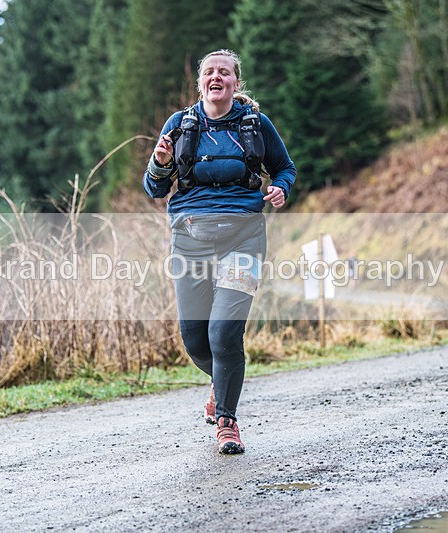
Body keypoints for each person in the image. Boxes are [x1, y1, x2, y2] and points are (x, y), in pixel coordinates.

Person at [143, 49, 296, 454]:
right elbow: (155, 189)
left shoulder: (255, 125)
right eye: (209, 72)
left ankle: (227, 420)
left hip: (243, 240)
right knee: (195, 339)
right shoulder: (180, 126)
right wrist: (159, 163)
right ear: (200, 83)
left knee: (224, 332)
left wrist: (281, 186)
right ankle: (222, 379)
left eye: (224, 72)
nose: (216, 77)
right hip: (189, 241)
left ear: (235, 83)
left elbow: (286, 167)